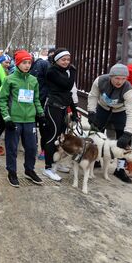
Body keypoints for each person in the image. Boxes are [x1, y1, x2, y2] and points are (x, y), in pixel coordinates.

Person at [0, 50, 46, 188]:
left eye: (29, 62)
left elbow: (36, 100)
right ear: (18, 63)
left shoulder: (33, 80)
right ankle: (11, 172)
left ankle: (29, 170)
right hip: (14, 120)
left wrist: (41, 114)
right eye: (24, 63)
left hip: (30, 120)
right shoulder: (10, 79)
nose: (27, 65)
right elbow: (2, 100)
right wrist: (6, 118)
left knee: (31, 148)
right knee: (12, 148)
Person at [87, 64, 132, 183]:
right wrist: (91, 112)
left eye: (123, 79)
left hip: (120, 111)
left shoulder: (128, 90)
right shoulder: (100, 81)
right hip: (102, 108)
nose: (120, 82)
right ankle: (95, 160)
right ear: (111, 76)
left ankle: (119, 168)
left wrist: (128, 133)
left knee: (124, 140)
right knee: (95, 134)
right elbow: (93, 96)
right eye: (117, 78)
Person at [41, 48, 78, 181]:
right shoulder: (52, 71)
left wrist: (74, 111)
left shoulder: (65, 72)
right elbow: (67, 86)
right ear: (57, 60)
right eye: (63, 59)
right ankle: (47, 167)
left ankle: (56, 163)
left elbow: (68, 94)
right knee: (52, 138)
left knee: (61, 138)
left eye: (68, 59)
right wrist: (73, 72)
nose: (66, 62)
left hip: (62, 108)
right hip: (53, 108)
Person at [29, 53, 50, 160]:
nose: (27, 64)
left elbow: (49, 82)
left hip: (41, 102)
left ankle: (43, 150)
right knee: (33, 127)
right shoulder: (22, 71)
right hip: (30, 103)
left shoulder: (42, 64)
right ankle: (33, 148)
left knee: (42, 127)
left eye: (29, 61)